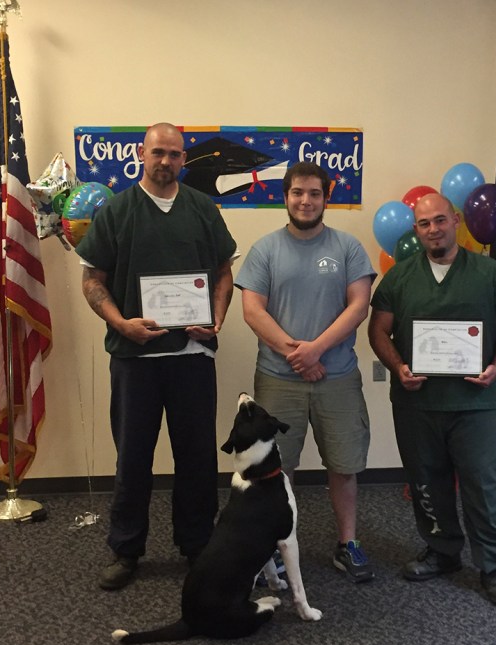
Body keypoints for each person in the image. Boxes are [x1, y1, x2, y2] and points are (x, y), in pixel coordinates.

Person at [76, 123, 237, 590]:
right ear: (141, 155)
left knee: (197, 458)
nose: (166, 161)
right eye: (158, 153)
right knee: (132, 458)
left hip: (191, 355)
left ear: (185, 160)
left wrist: (218, 321)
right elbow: (92, 281)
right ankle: (126, 549)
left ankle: (197, 545)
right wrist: (120, 322)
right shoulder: (117, 210)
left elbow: (224, 273)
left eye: (175, 154)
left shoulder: (203, 209)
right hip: (133, 358)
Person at [368, 192, 496, 608]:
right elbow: (378, 331)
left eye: (440, 220)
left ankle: (493, 565)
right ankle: (442, 552)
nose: (433, 229)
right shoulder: (400, 278)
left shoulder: (489, 273)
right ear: (416, 230)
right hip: (417, 403)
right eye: (424, 224)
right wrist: (399, 366)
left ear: (455, 220)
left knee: (481, 483)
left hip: (475, 403)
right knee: (425, 481)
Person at [235, 161, 376, 583]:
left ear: (326, 197)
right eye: (298, 193)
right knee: (279, 467)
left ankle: (347, 543)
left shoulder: (348, 248)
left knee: (344, 464)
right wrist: (297, 354)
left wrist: (316, 350)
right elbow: (252, 309)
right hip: (278, 380)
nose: (306, 200)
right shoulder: (265, 249)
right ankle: (278, 548)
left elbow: (358, 306)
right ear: (285, 196)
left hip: (338, 379)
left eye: (314, 193)